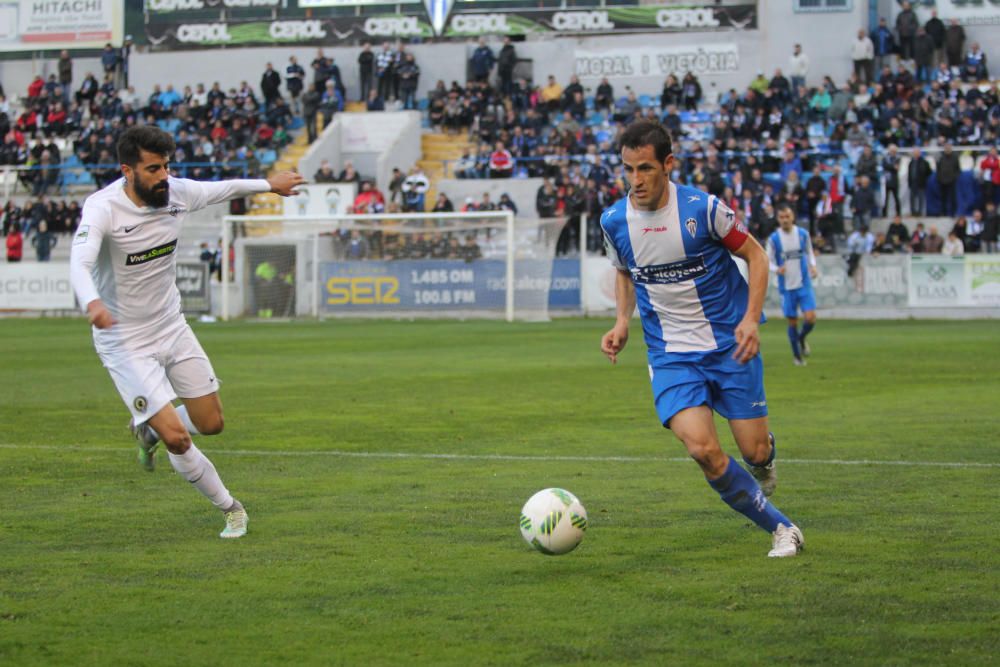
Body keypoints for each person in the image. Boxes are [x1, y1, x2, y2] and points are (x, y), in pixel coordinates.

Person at [69, 126, 304, 539]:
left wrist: (271, 184)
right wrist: (92, 302)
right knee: (178, 438)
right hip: (125, 341)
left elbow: (222, 188)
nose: (164, 176)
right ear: (127, 170)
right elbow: (79, 262)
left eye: (167, 166)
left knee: (211, 422)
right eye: (154, 168)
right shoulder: (102, 208)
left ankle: (148, 426)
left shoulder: (177, 194)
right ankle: (232, 509)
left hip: (172, 326)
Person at [599, 120, 804, 558]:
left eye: (646, 169)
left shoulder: (703, 210)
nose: (635, 180)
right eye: (628, 169)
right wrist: (621, 321)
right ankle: (782, 528)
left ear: (668, 164)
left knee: (754, 449)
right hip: (671, 356)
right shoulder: (615, 221)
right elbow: (623, 271)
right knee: (703, 450)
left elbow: (756, 255)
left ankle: (765, 458)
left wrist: (751, 319)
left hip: (731, 346)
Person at [767, 204, 817, 367]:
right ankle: (797, 356)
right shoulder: (774, 239)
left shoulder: (802, 235)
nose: (785, 220)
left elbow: (809, 252)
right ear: (778, 219)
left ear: (792, 217)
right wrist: (777, 269)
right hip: (786, 287)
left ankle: (802, 338)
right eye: (782, 217)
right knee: (793, 322)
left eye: (787, 216)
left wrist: (813, 266)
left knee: (810, 318)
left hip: (803, 284)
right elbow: (768, 261)